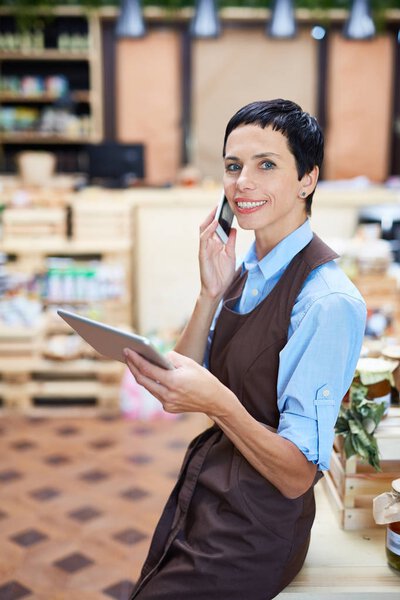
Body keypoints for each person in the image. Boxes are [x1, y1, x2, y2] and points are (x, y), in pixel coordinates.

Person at [124, 99, 367, 600]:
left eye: (267, 165)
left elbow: (299, 474)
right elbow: (178, 383)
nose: (242, 183)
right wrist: (209, 292)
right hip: (210, 495)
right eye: (234, 167)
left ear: (308, 179)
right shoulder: (247, 270)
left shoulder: (327, 302)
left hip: (258, 527)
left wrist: (216, 402)